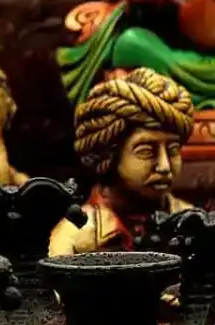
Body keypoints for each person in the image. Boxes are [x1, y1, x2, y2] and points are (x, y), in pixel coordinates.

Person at [50, 68, 195, 255]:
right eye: (146, 151)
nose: (165, 166)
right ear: (109, 155)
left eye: (173, 150)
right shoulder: (76, 238)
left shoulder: (195, 226)